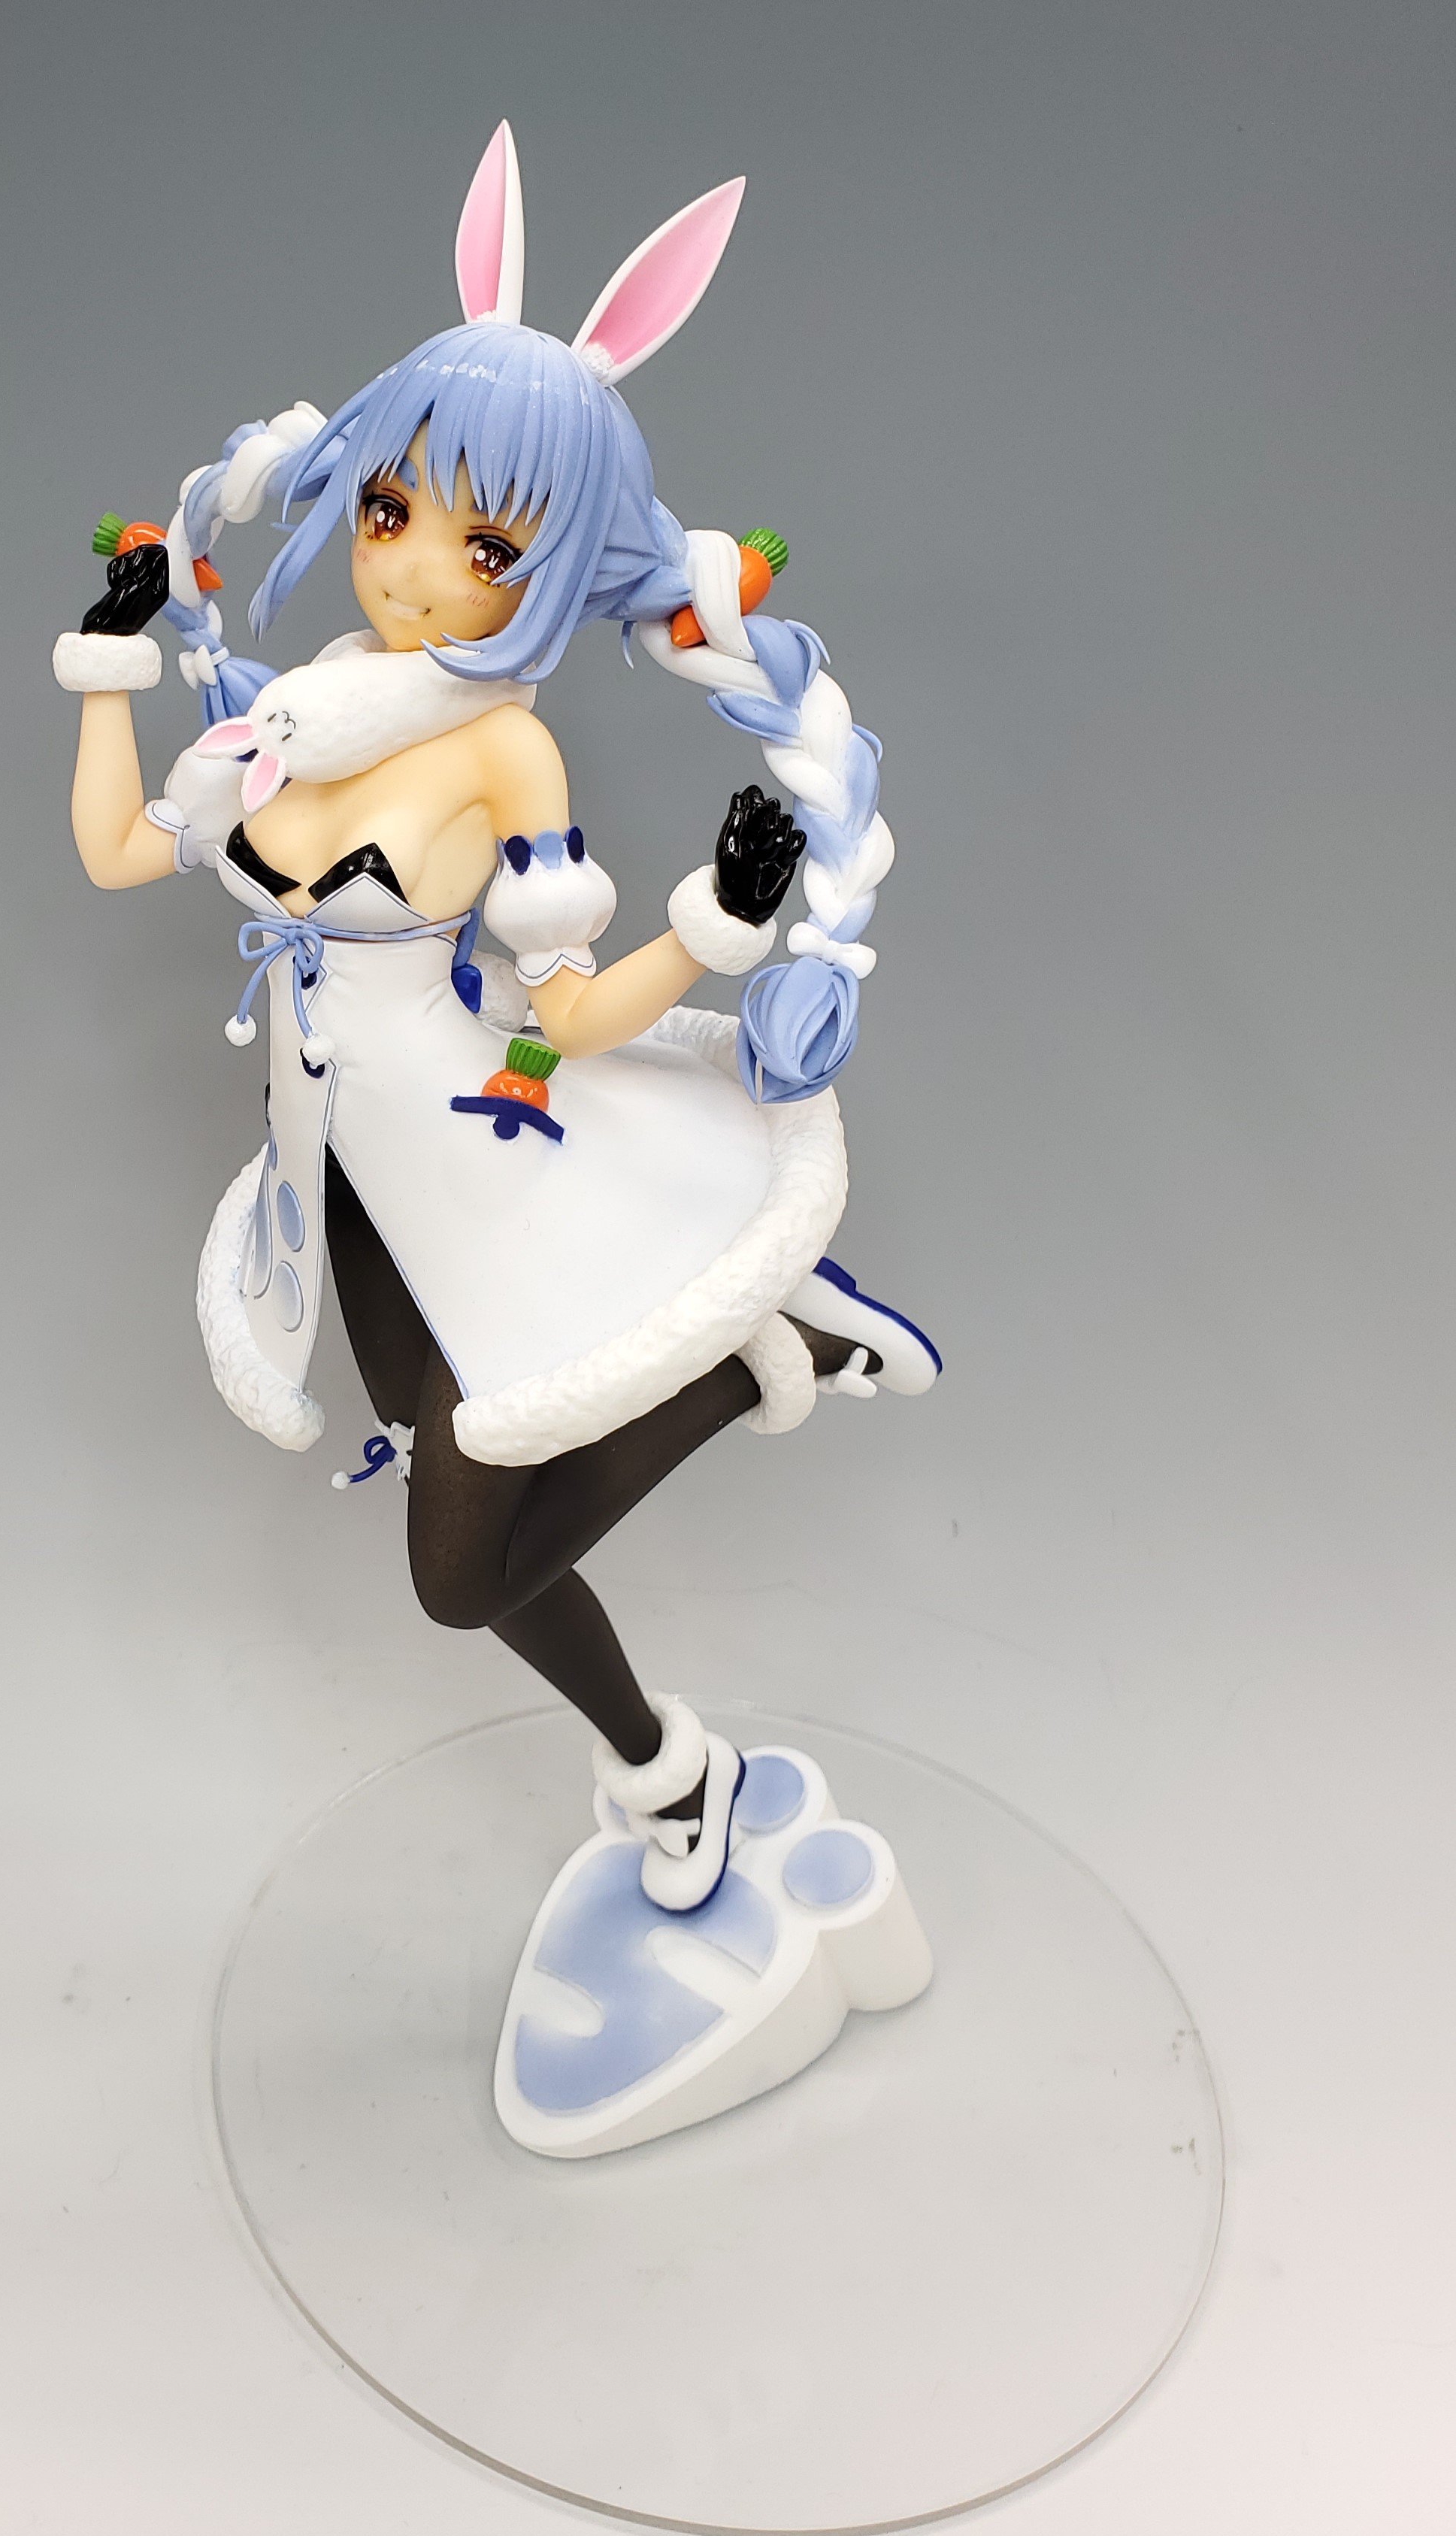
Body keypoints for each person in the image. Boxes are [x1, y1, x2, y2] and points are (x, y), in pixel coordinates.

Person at [53, 126, 938, 1917]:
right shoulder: (303, 705)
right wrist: (108, 663)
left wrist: (712, 925)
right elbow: (125, 851)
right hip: (344, 1167)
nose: (411, 567)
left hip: (480, 1149)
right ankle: (668, 1771)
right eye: (392, 512)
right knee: (472, 1507)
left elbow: (571, 1009)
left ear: (549, 563)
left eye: (484, 539)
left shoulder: (502, 748)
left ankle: (766, 1349)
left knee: (456, 1575)